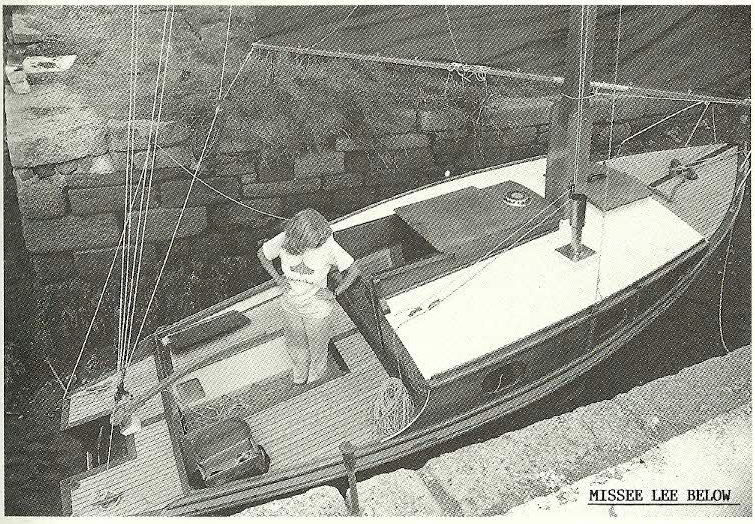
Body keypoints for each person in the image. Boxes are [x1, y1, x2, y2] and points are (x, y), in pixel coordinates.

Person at [257, 208, 360, 387]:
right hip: (291, 305)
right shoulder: (284, 239)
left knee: (318, 349)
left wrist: (335, 292)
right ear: (299, 237)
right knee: (295, 346)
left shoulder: (327, 244)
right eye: (314, 240)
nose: (318, 242)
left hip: (317, 308)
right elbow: (262, 254)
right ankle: (299, 378)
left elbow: (354, 271)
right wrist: (278, 279)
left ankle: (315, 381)